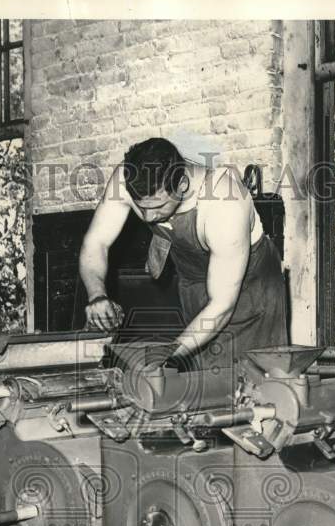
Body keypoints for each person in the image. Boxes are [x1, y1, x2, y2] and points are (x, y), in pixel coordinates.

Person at [78, 137, 288, 368]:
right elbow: (96, 242)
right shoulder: (128, 178)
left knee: (249, 377)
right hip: (196, 286)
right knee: (201, 376)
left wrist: (164, 356)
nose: (148, 218)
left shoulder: (224, 204)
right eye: (140, 207)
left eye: (158, 207)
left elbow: (221, 305)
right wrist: (96, 295)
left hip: (250, 291)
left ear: (183, 185)